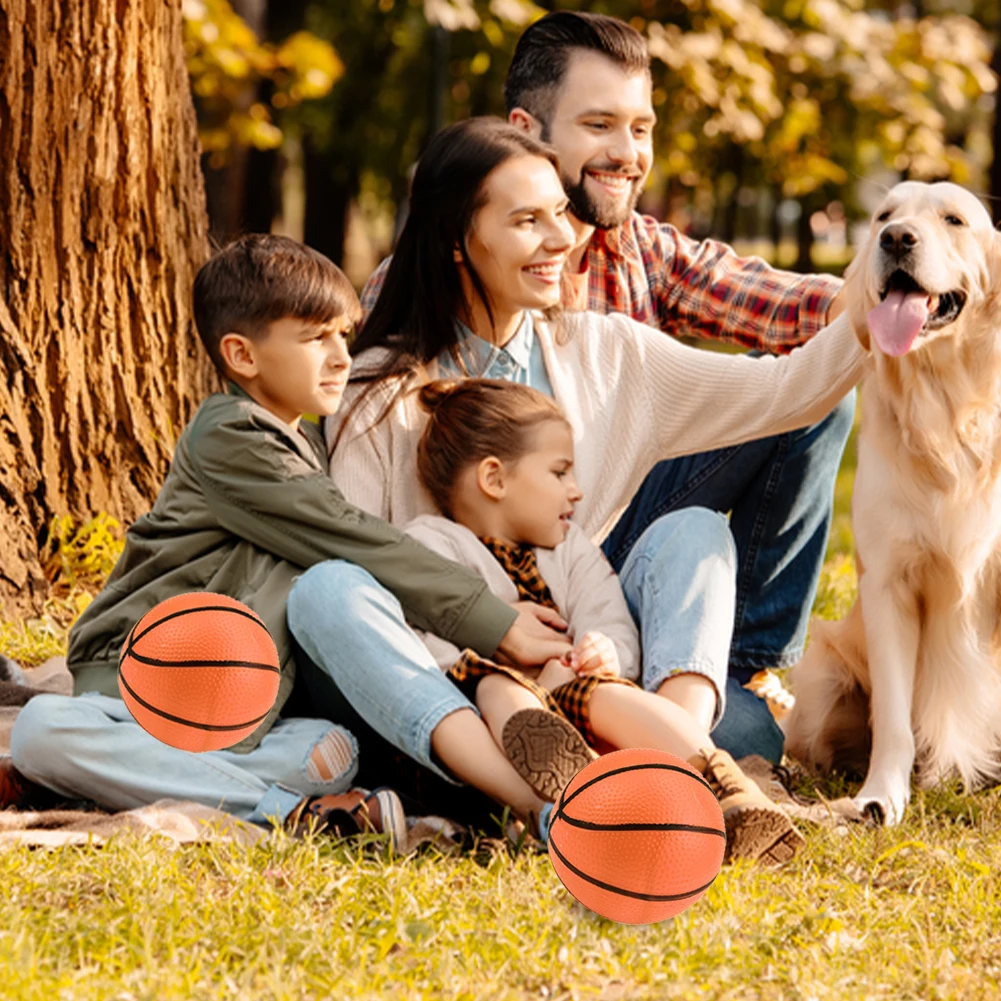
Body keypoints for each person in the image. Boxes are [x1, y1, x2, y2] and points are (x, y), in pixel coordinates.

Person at [313, 118, 866, 832]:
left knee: (694, 538)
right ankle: (557, 792)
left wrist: (882, 308)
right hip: (456, 683)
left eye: (559, 215)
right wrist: (492, 630)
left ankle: (679, 766)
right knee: (332, 592)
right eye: (525, 221)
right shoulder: (377, 394)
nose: (561, 240)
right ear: (457, 238)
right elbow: (371, 573)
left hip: (590, 664)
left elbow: (784, 392)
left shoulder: (606, 350)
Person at [4, 235, 571, 843]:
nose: (339, 358)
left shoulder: (305, 439)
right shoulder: (229, 435)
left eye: (342, 337)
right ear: (242, 355)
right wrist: (496, 622)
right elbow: (350, 534)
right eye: (313, 338)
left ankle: (422, 792)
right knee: (43, 731)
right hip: (144, 689)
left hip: (258, 708)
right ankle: (297, 812)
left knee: (331, 746)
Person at [405, 377, 804, 863]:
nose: (575, 492)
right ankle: (609, 799)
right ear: (494, 478)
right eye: (559, 473)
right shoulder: (431, 544)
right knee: (496, 688)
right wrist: (523, 670)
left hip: (576, 693)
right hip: (492, 718)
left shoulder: (570, 550)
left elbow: (612, 619)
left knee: (609, 693)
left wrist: (605, 649)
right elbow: (425, 643)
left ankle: (721, 785)